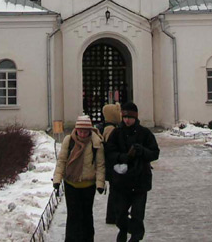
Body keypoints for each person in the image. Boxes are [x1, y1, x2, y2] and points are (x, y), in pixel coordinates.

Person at [105, 101, 159, 242]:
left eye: (130, 117)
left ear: (135, 117)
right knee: (120, 214)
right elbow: (109, 153)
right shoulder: (116, 133)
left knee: (138, 214)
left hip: (140, 181)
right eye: (125, 117)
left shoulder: (145, 133)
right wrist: (122, 157)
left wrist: (142, 152)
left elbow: (155, 153)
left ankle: (135, 237)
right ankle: (126, 230)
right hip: (122, 182)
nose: (127, 120)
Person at [53, 114, 106, 242]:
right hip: (71, 184)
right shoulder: (69, 141)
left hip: (88, 185)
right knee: (73, 216)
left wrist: (100, 183)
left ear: (90, 131)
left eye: (85, 131)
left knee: (87, 215)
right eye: (80, 131)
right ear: (76, 130)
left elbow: (100, 165)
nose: (82, 134)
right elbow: (62, 161)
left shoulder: (96, 142)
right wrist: (57, 179)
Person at [101, 102, 122, 225]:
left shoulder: (109, 128)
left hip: (111, 165)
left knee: (115, 190)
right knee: (115, 190)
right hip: (112, 165)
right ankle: (113, 215)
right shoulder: (111, 130)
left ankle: (113, 214)